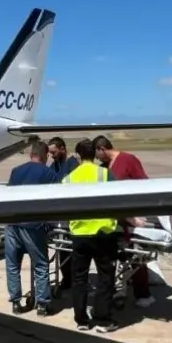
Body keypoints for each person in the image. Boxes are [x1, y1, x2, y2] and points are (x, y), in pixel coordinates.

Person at [62, 138, 119, 333]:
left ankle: (81, 320)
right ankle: (103, 320)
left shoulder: (69, 179)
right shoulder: (104, 174)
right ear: (94, 154)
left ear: (78, 156)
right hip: (103, 234)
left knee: (79, 279)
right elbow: (118, 198)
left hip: (80, 234)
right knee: (105, 278)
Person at [93, 136, 156, 309]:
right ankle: (117, 290)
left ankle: (143, 293)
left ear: (102, 149)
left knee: (136, 257)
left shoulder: (128, 160)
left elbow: (144, 183)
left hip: (131, 219)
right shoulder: (104, 167)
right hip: (114, 221)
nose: (97, 159)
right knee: (115, 258)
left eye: (97, 155)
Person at [4, 141, 58, 316]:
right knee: (41, 265)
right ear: (45, 156)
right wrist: (48, 224)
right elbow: (53, 202)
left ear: (31, 154)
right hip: (33, 226)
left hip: (13, 224)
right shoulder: (49, 173)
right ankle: (42, 305)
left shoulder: (16, 171)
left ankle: (16, 303)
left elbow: (7, 196)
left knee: (13, 265)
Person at [47, 136, 80, 292]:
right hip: (59, 218)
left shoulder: (73, 165)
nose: (52, 156)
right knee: (62, 251)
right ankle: (67, 279)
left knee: (72, 252)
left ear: (62, 149)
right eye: (50, 153)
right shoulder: (54, 165)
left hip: (71, 217)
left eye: (54, 152)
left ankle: (74, 279)